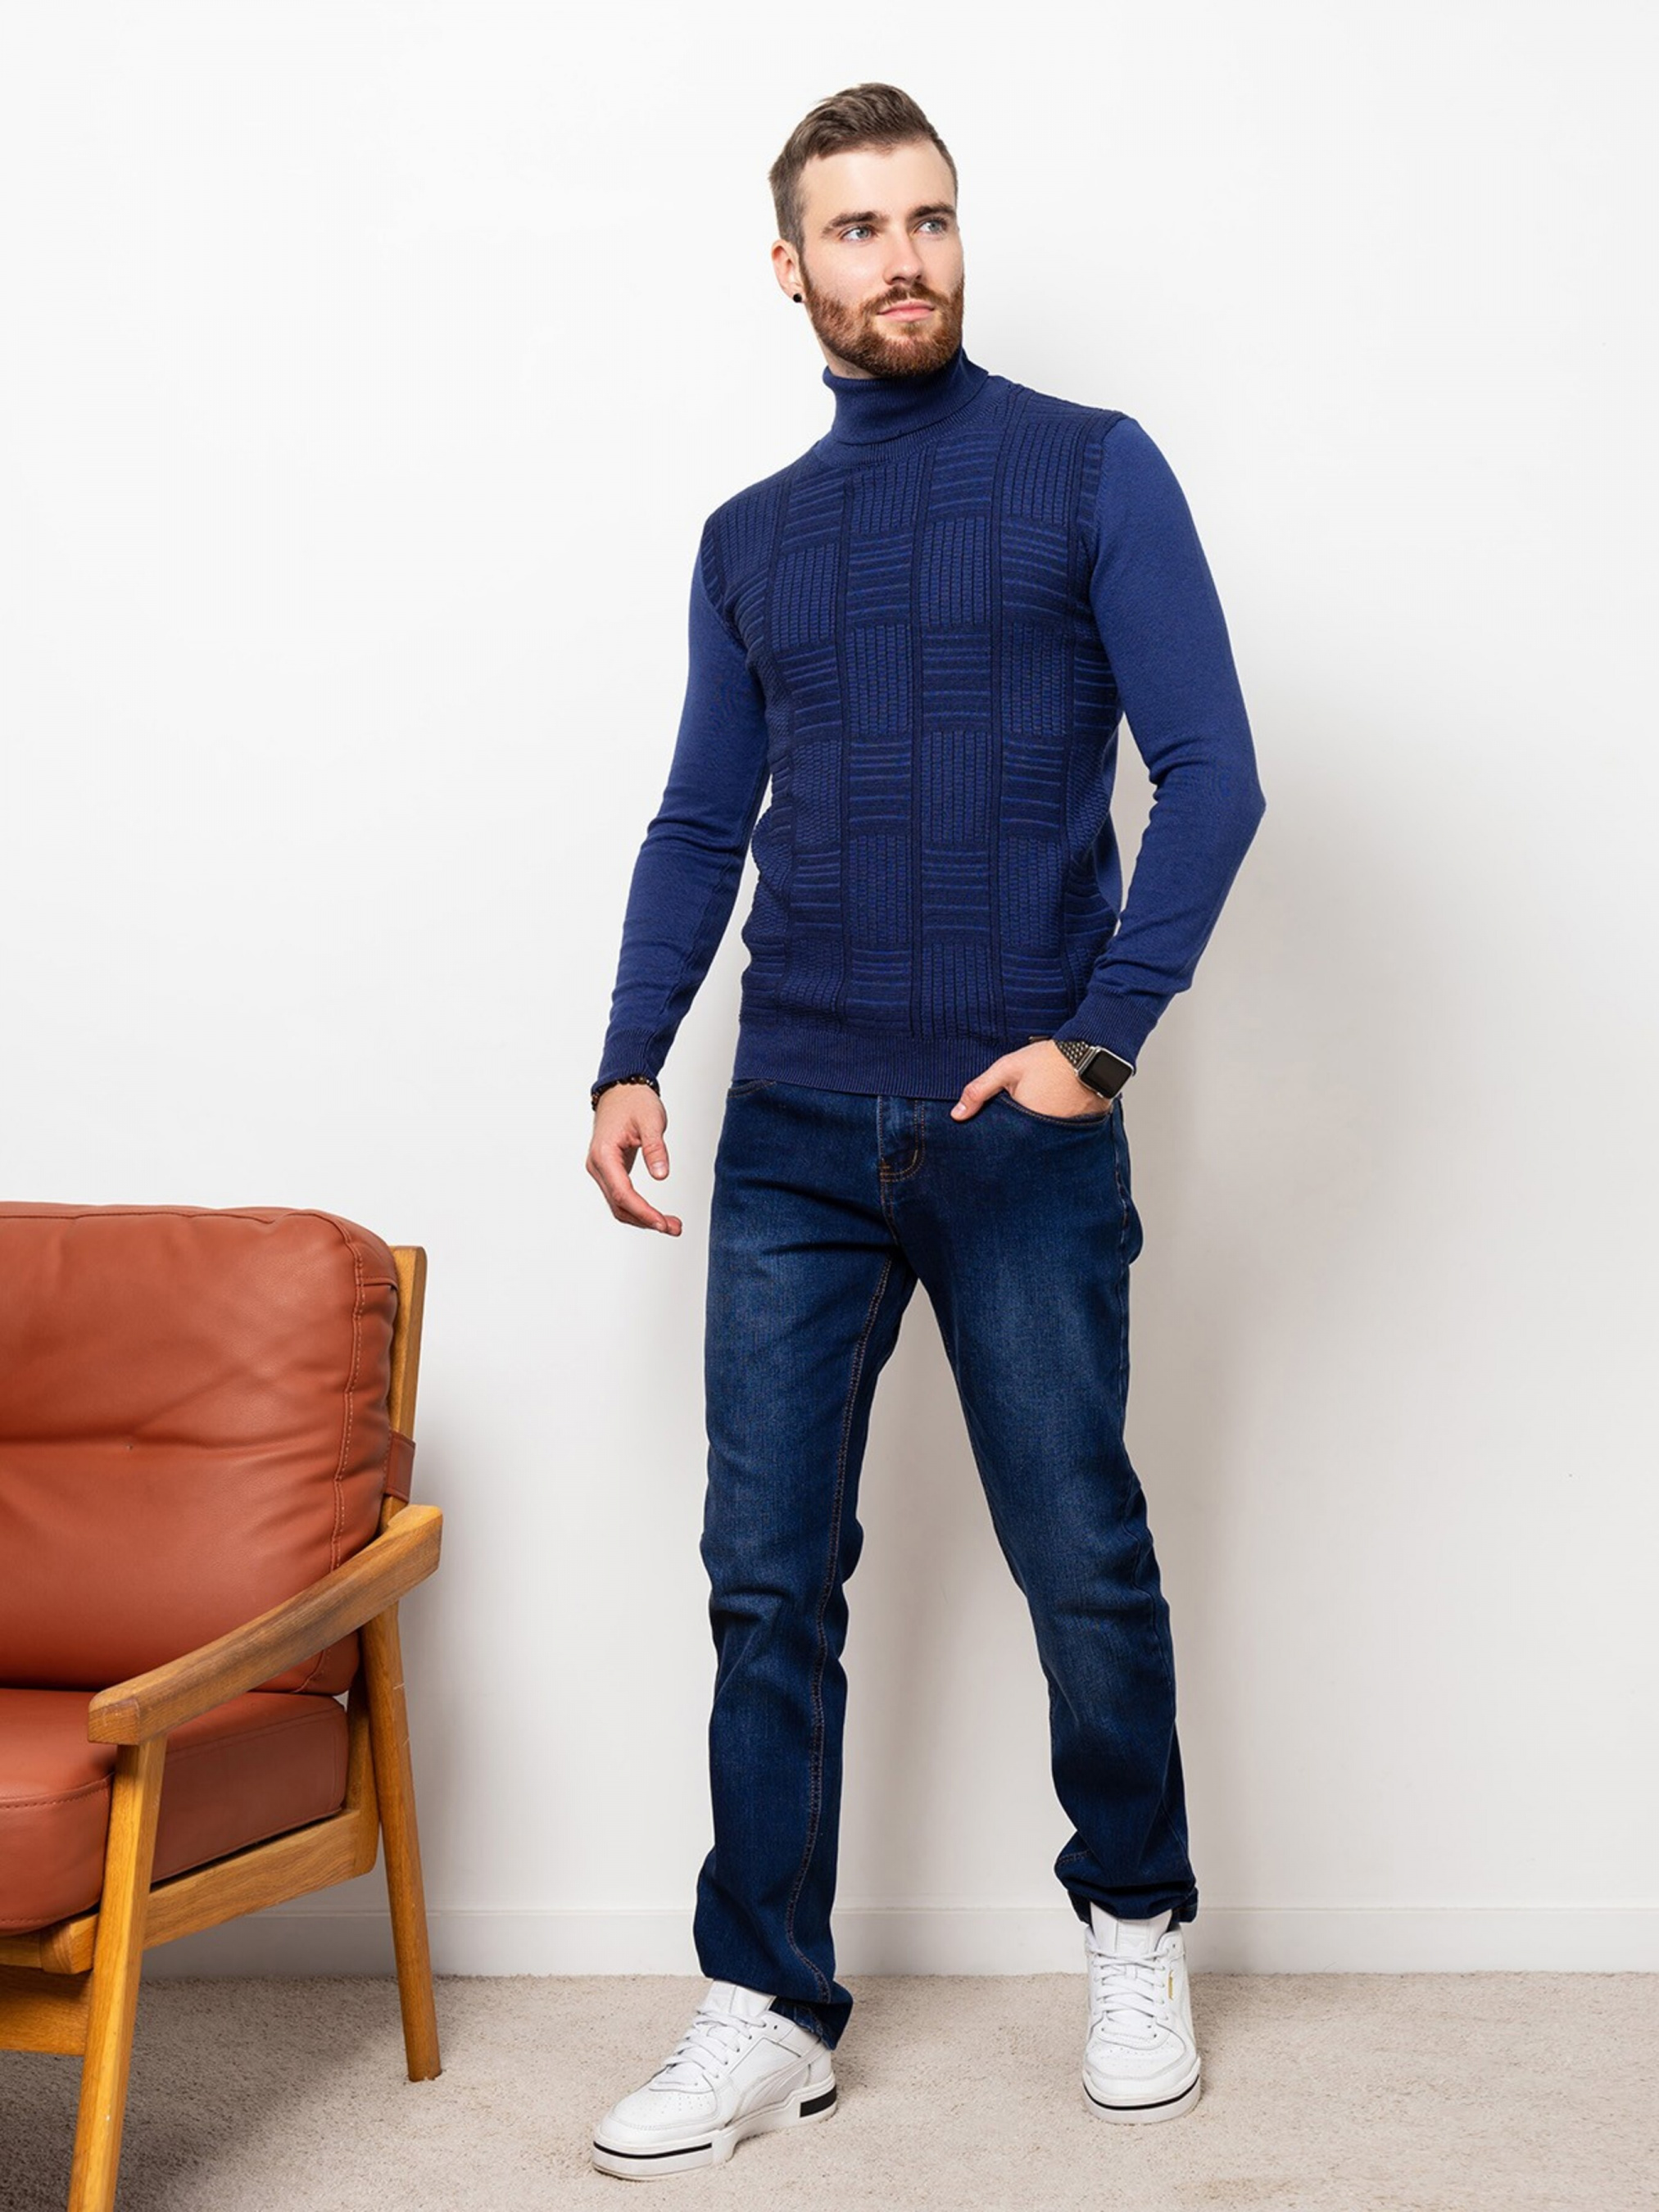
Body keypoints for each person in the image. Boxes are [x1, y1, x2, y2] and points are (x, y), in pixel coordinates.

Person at [584, 80, 1266, 2180]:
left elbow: (1212, 771)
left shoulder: (1087, 468)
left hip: (1014, 1130)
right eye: (859, 230)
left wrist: (1098, 1044)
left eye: (929, 220)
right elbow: (700, 817)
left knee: (1078, 1550)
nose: (904, 260)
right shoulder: (748, 539)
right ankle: (766, 2006)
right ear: (788, 267)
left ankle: (1130, 1927)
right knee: (763, 1578)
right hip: (790, 1121)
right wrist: (628, 1052)